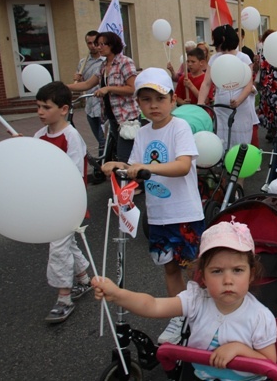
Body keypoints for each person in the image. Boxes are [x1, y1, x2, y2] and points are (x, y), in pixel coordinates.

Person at [91, 220, 277, 380]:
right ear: (202, 276)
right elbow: (153, 306)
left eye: (237, 270)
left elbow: (269, 363)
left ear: (251, 275)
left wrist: (239, 350)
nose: (228, 280)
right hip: (201, 375)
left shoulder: (259, 317)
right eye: (217, 271)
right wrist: (117, 295)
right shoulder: (196, 300)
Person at [101, 67, 205, 345]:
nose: (153, 105)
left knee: (194, 268)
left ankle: (203, 314)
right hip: (158, 215)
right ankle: (179, 315)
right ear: (139, 104)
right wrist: (117, 165)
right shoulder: (143, 133)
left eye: (159, 98)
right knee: (170, 268)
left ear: (172, 99)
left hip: (185, 212)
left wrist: (144, 167)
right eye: (146, 100)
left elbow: (183, 166)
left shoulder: (179, 127)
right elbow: (135, 166)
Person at [33, 81, 92, 323]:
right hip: (50, 201)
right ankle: (83, 279)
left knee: (58, 247)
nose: (40, 112)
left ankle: (64, 297)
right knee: (65, 243)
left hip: (68, 202)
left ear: (64, 109)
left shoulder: (71, 136)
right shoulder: (38, 136)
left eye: (46, 107)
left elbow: (74, 172)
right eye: (38, 106)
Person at [68, 31, 139, 162]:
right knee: (117, 153)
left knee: (125, 157)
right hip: (111, 118)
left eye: (102, 44)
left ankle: (130, 180)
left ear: (112, 45)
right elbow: (87, 84)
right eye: (97, 44)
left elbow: (132, 88)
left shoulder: (125, 62)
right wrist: (64, 87)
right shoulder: (102, 66)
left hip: (126, 117)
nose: (98, 47)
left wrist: (109, 88)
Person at [197, 25, 257, 150]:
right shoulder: (214, 59)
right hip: (220, 109)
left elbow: (248, 84)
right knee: (222, 139)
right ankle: (222, 163)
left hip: (240, 109)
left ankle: (239, 165)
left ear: (222, 39)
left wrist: (239, 101)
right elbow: (206, 83)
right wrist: (200, 103)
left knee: (239, 141)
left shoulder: (243, 58)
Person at [74, 30, 105, 156]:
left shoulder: (105, 61)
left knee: (103, 140)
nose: (92, 46)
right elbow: (84, 84)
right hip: (90, 107)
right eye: (89, 43)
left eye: (95, 43)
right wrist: (78, 78)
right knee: (99, 139)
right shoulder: (83, 63)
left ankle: (104, 165)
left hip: (102, 106)